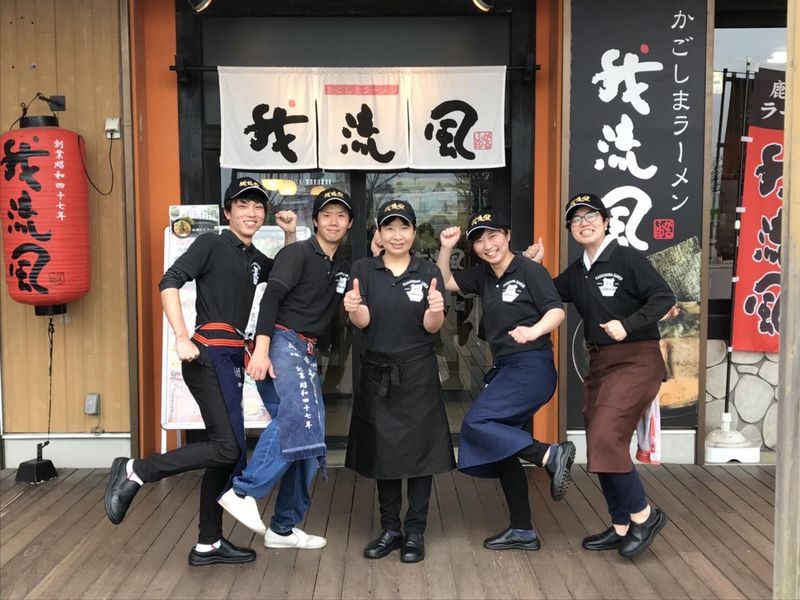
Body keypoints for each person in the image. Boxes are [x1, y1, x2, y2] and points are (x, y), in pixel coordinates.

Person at [104, 177, 297, 566]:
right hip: (207, 357)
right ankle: (136, 469)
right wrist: (181, 337)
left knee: (227, 454)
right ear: (228, 212)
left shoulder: (254, 258)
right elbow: (169, 281)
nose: (251, 212)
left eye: (258, 206)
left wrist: (290, 234)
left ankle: (208, 543)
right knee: (228, 448)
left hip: (231, 361)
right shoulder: (211, 243)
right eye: (242, 205)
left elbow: (284, 276)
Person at [218, 187, 353, 551]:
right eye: (327, 215)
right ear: (316, 220)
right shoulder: (297, 253)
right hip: (281, 340)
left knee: (309, 436)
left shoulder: (341, 266)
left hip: (305, 349)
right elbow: (272, 297)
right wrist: (261, 351)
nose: (334, 221)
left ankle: (282, 527)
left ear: (350, 223)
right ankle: (243, 492)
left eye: (341, 216)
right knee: (297, 416)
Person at [436, 209, 575, 552]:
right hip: (506, 369)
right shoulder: (484, 275)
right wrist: (446, 247)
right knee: (502, 447)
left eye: (493, 235)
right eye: (479, 240)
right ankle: (522, 529)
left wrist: (534, 330)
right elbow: (445, 281)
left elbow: (556, 310)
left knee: (477, 423)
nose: (487, 245)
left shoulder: (530, 270)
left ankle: (549, 454)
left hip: (531, 367)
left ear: (508, 235)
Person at [548, 192, 675, 558]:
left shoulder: (626, 258)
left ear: (606, 222)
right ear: (571, 229)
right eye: (576, 219)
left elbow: (664, 296)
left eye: (591, 216)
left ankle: (644, 515)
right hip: (600, 363)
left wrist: (628, 323)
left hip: (637, 359)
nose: (584, 223)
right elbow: (548, 292)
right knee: (601, 440)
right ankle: (621, 525)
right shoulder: (578, 271)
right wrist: (531, 267)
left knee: (605, 435)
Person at [343, 200, 455, 564]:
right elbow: (363, 322)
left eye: (403, 227)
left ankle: (415, 531)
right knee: (385, 454)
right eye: (389, 227)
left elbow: (431, 327)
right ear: (379, 232)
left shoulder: (428, 271)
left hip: (418, 373)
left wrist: (435, 309)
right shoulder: (364, 269)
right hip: (378, 373)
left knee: (421, 456)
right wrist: (354, 308)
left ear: (414, 231)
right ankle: (390, 529)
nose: (396, 235)